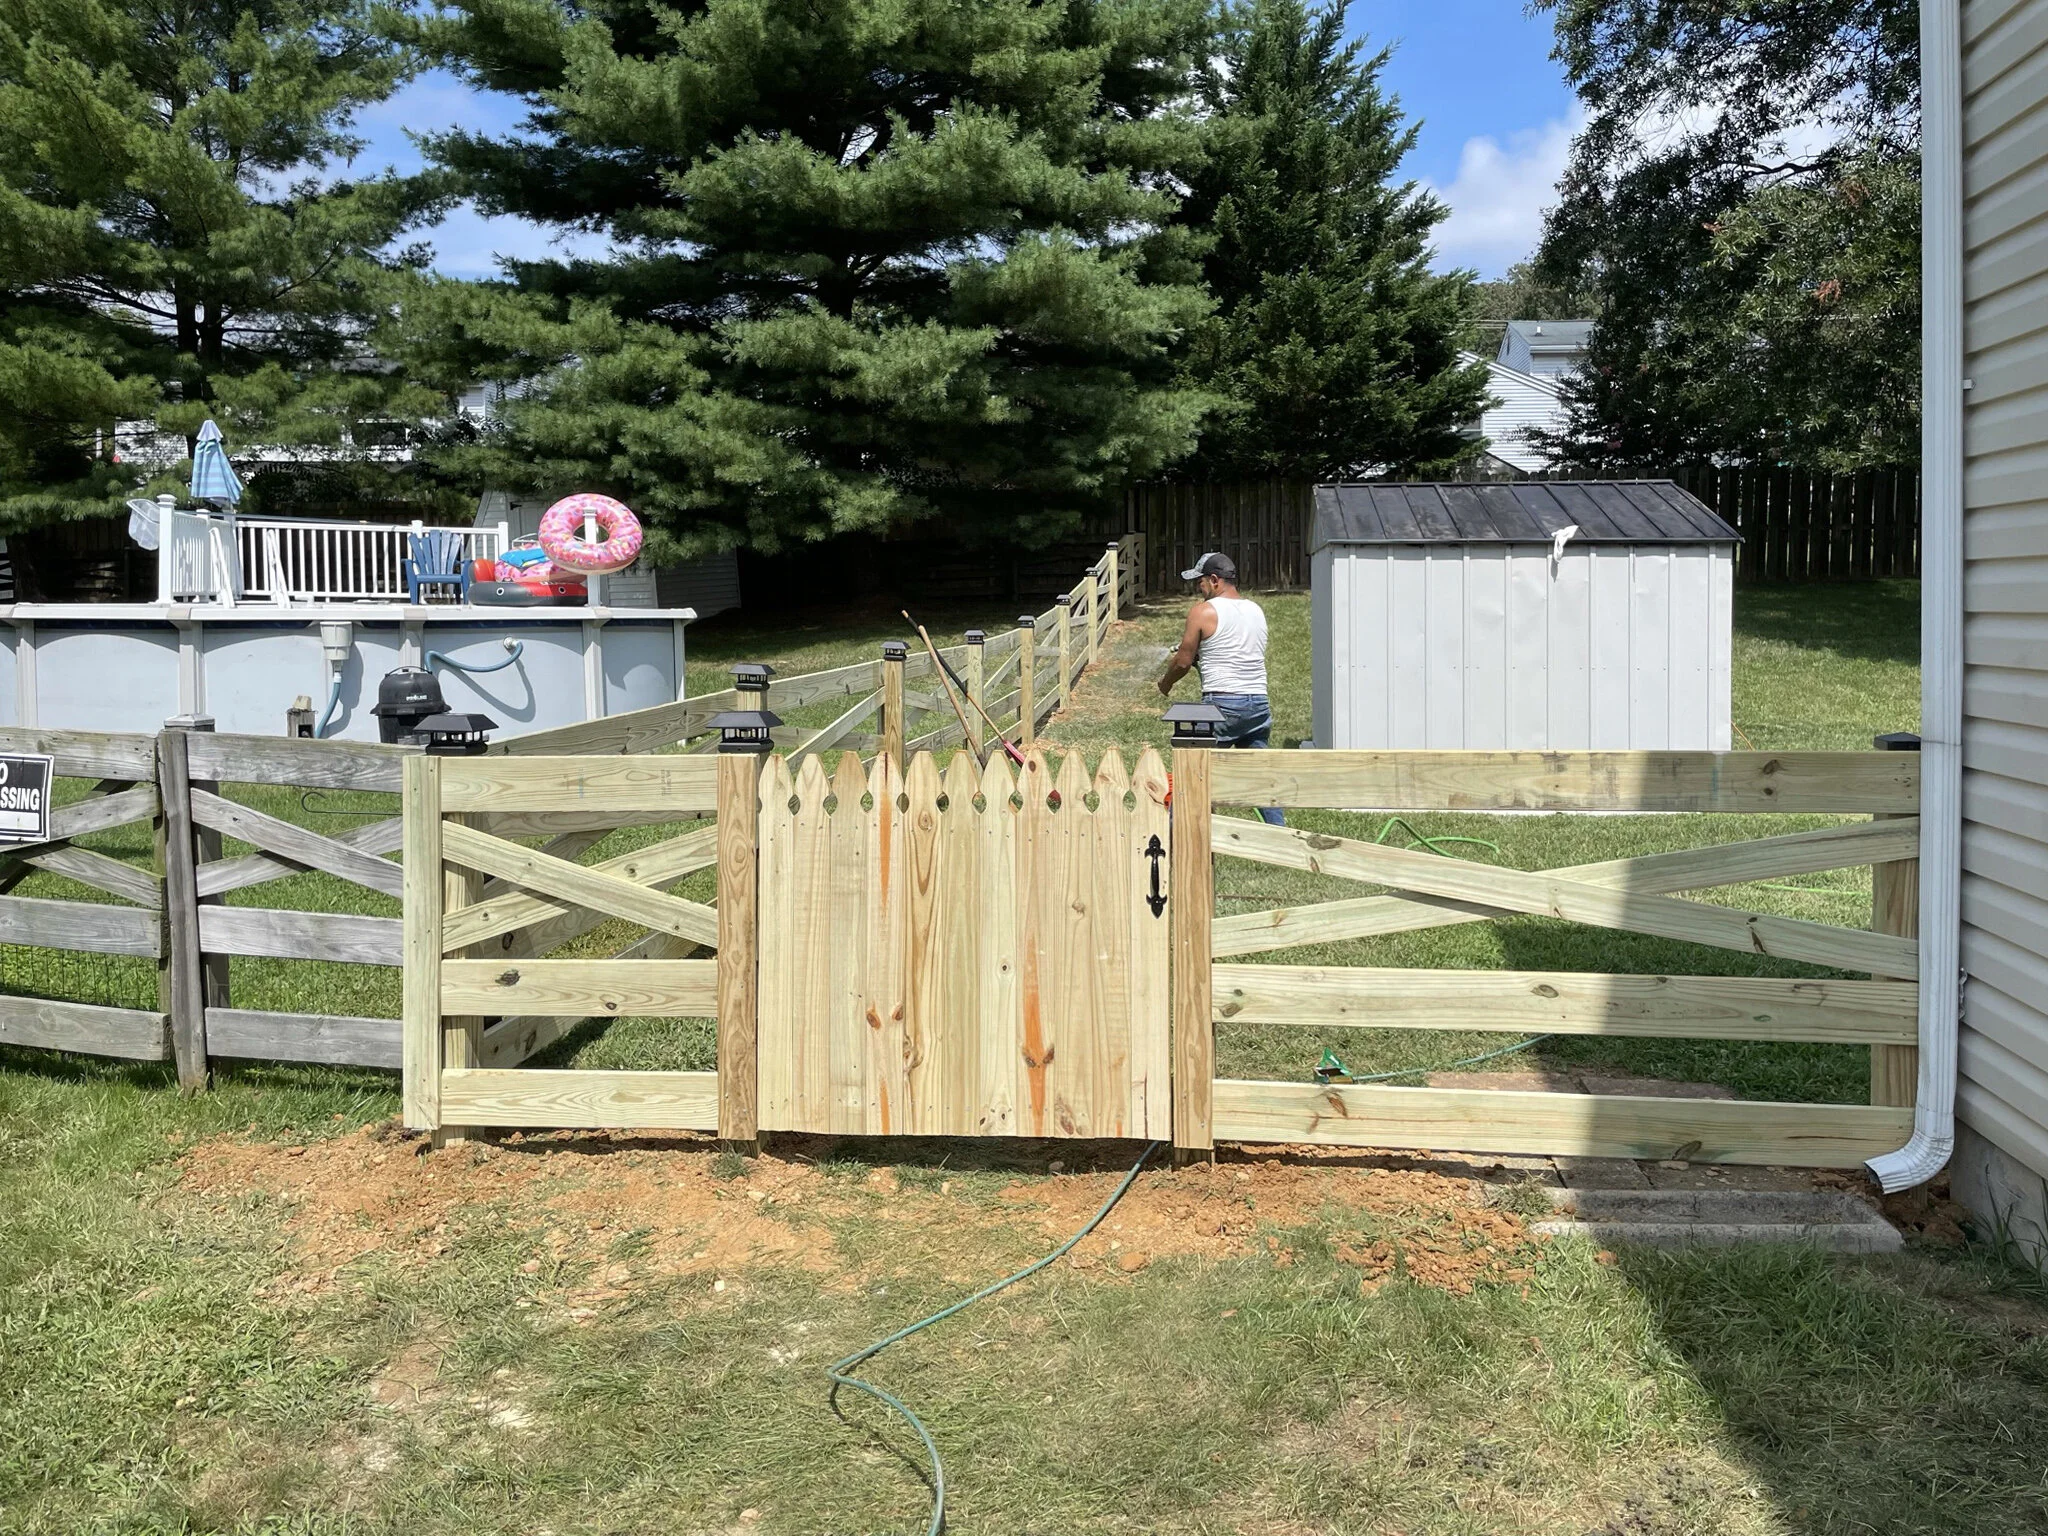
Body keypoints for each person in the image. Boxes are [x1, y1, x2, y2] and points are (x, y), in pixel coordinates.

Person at [1157, 551, 1286, 826]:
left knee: (1195, 773)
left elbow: (1182, 662)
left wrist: (1165, 684)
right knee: (1261, 778)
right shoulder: (1256, 610)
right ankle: (1280, 835)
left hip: (1223, 706)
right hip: (1258, 705)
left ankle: (1178, 834)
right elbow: (1235, 651)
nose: (1197, 588)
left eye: (1200, 582)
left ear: (1214, 580)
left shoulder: (1203, 611)